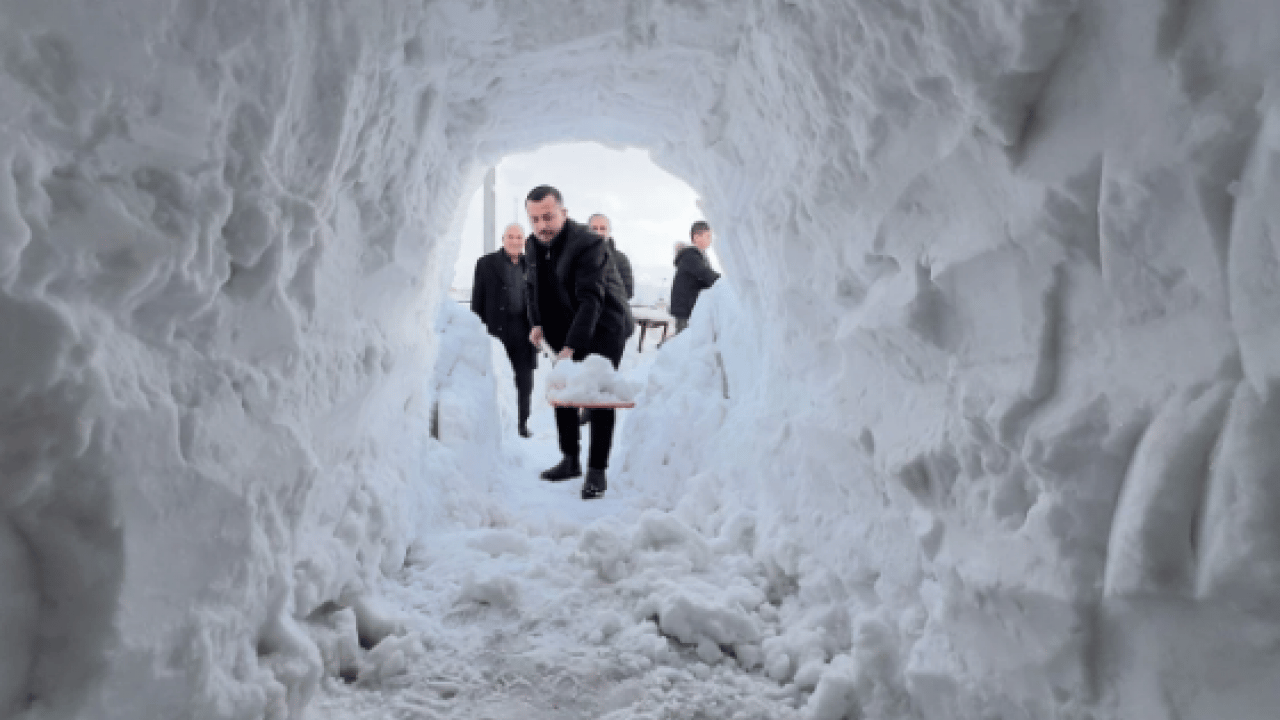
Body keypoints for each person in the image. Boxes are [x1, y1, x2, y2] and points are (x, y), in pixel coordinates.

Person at [524, 185, 634, 500]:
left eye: (548, 216)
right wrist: (536, 323)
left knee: (597, 395)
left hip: (605, 324)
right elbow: (533, 287)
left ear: (564, 213)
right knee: (562, 386)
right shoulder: (534, 245)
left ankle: (596, 471)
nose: (542, 225)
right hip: (564, 320)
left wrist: (572, 346)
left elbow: (591, 301)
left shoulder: (588, 244)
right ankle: (570, 460)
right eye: (535, 219)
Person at [471, 223, 536, 438]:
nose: (515, 241)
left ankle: (521, 424)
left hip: (524, 333)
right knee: (495, 378)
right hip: (496, 331)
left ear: (524, 241)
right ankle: (495, 425)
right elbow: (477, 302)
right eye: (511, 236)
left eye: (519, 237)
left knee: (524, 382)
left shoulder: (532, 265)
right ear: (503, 239)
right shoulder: (486, 264)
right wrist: (477, 333)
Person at [668, 220, 721, 334]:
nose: (710, 239)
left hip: (690, 307)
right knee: (685, 341)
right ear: (696, 237)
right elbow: (705, 273)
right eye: (708, 236)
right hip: (686, 309)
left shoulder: (696, 256)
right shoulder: (690, 255)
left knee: (688, 341)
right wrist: (724, 281)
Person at [587, 213, 635, 300]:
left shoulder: (621, 259)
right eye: (594, 228)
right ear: (587, 231)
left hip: (610, 311)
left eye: (602, 228)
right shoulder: (576, 256)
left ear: (609, 232)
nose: (598, 232)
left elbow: (628, 291)